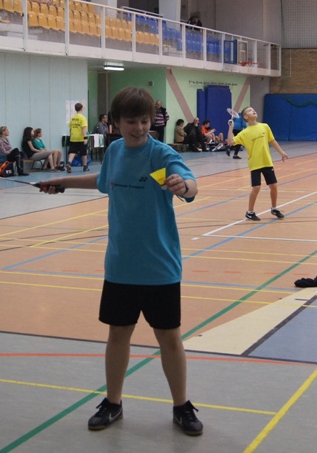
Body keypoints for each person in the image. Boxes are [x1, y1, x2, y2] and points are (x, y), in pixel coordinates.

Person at [36, 86, 203, 437]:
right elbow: (103, 182)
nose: (139, 128)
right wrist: (63, 182)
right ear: (115, 122)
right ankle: (113, 402)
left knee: (169, 338)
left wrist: (183, 185)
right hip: (120, 266)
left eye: (145, 121)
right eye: (131, 121)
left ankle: (182, 406)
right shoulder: (114, 151)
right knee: (118, 334)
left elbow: (191, 184)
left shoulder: (161, 154)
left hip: (159, 267)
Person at [226, 106, 289, 221]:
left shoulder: (265, 126)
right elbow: (231, 141)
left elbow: (272, 140)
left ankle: (274, 208)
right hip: (255, 163)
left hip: (267, 162)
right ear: (246, 117)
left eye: (253, 109)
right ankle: (250, 212)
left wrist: (282, 152)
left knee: (274, 186)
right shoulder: (244, 133)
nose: (253, 110)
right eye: (250, 110)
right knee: (256, 188)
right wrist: (231, 127)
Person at [66, 102, 89, 173]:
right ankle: (85, 167)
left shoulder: (73, 118)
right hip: (80, 138)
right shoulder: (82, 118)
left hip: (73, 138)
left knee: (72, 151)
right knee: (83, 153)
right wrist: (85, 138)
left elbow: (70, 128)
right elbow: (83, 128)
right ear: (82, 108)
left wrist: (71, 136)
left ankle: (69, 163)